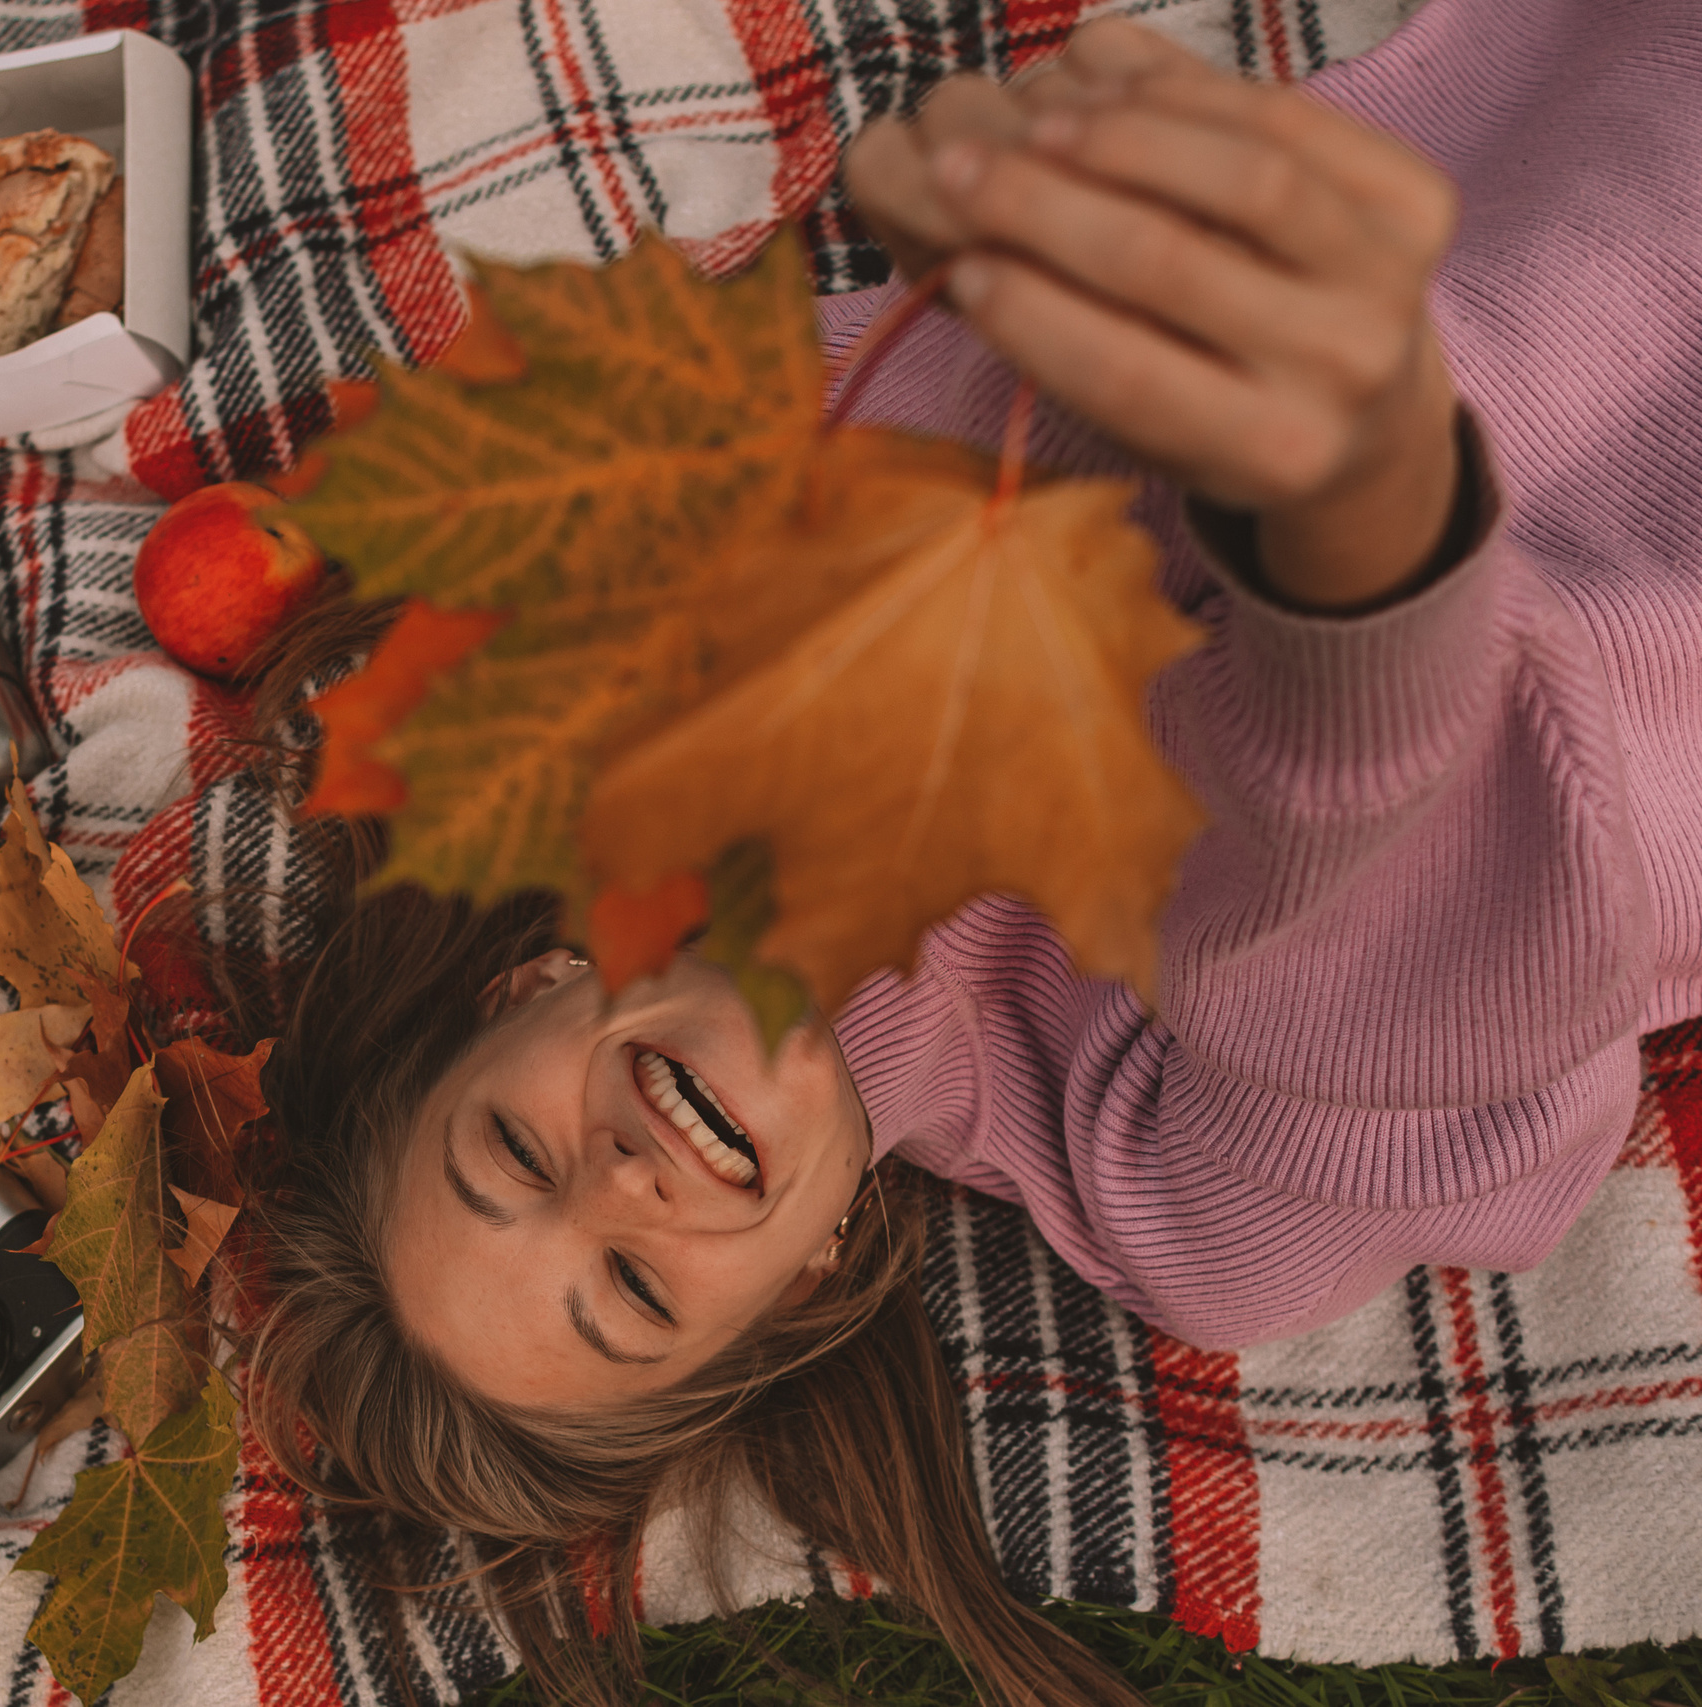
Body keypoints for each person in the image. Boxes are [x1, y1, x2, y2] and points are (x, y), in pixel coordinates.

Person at [230, 11, 1702, 1706]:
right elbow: (1403, 949)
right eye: (631, 1289)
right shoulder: (1165, 1196)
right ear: (813, 1282)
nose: (620, 1184)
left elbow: (983, 367)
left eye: (513, 1150)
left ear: (536, 986)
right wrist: (1350, 538)